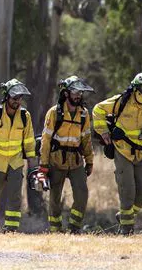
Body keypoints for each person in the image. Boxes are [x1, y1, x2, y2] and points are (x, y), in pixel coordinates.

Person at [93, 71, 142, 235]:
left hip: (141, 152)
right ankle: (126, 231)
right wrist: (104, 132)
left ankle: (123, 215)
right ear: (135, 88)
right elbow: (98, 109)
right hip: (122, 150)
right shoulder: (121, 101)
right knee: (127, 190)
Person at [0, 79, 37, 232]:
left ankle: (11, 230)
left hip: (15, 164)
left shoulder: (25, 116)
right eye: (14, 98)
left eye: (20, 98)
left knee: (15, 199)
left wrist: (33, 168)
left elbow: (29, 143)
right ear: (7, 97)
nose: (17, 101)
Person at [39, 76, 94, 233]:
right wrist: (43, 166)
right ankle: (56, 229)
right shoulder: (54, 113)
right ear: (66, 93)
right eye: (75, 92)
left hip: (76, 162)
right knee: (55, 198)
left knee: (82, 194)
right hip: (57, 161)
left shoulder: (83, 114)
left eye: (80, 92)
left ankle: (73, 228)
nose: (78, 95)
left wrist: (89, 161)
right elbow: (46, 140)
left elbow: (87, 140)